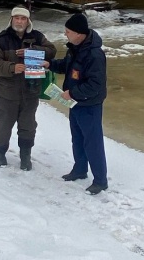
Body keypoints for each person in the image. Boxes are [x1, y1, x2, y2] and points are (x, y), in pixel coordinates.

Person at [46, 13, 108, 195]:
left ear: (79, 33)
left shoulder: (94, 55)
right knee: (78, 138)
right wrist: (49, 64)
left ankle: (100, 180)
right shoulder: (75, 48)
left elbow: (95, 85)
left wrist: (72, 92)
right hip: (75, 103)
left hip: (89, 105)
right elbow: (66, 65)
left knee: (93, 142)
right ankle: (80, 170)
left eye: (68, 31)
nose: (65, 34)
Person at [0, 5, 56, 170]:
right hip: (7, 92)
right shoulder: (1, 39)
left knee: (28, 125)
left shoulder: (37, 37)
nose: (20, 21)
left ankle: (25, 155)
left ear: (28, 21)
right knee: (3, 124)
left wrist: (31, 50)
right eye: (16, 18)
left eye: (23, 18)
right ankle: (0, 153)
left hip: (31, 90)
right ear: (11, 19)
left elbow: (51, 51)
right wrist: (13, 67)